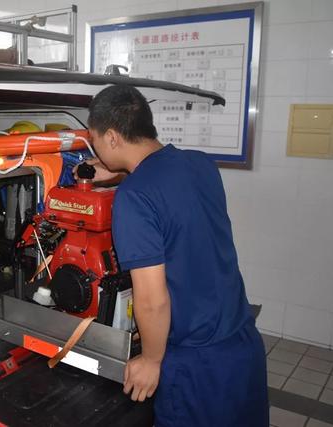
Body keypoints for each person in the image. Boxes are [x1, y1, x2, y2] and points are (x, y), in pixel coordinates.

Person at [79, 85, 268, 427]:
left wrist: (151, 361)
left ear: (111, 137)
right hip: (242, 345)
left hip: (197, 365)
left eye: (94, 139)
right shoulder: (200, 163)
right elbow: (166, 185)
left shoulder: (134, 198)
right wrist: (121, 171)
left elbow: (151, 299)